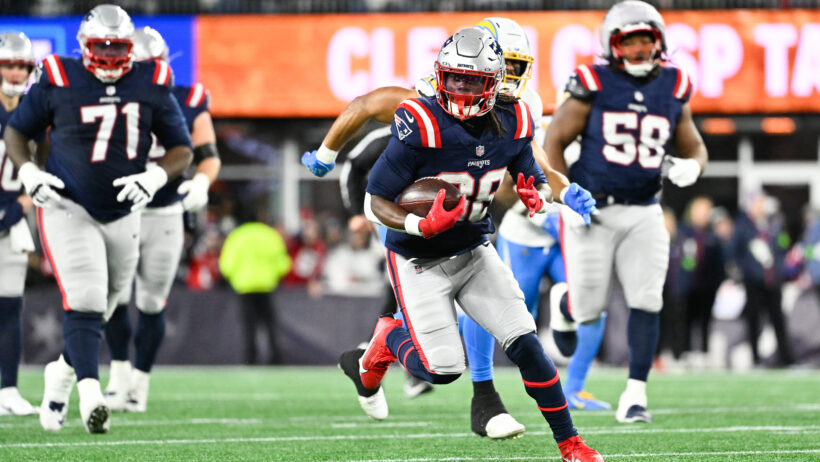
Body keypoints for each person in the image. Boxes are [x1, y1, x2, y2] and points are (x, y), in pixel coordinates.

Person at [304, 17, 596, 439]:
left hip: (473, 236)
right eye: (458, 80)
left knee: (519, 333)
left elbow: (530, 169)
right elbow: (368, 109)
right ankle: (404, 347)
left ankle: (554, 434)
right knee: (441, 363)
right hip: (416, 230)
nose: (509, 78)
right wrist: (328, 155)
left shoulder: (517, 111)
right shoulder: (425, 109)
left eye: (516, 68)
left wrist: (553, 192)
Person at [5, 4, 193, 433]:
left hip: (126, 210)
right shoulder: (58, 75)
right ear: (84, 46)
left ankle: (61, 376)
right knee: (87, 299)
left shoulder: (151, 81)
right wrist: (30, 170)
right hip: (67, 204)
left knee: (104, 307)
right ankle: (91, 395)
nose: (109, 57)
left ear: (131, 49)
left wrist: (156, 174)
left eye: (117, 48)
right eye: (100, 47)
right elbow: (17, 129)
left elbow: (182, 148)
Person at [542, 0, 708, 423]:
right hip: (593, 209)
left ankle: (636, 394)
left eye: (644, 40)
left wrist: (692, 166)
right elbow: (554, 142)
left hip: (644, 210)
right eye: (628, 41)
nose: (637, 49)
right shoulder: (592, 82)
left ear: (659, 42)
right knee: (589, 311)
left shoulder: (673, 85)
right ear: (611, 45)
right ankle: (566, 305)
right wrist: (564, 192)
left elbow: (694, 146)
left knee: (647, 300)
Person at [102, 26, 222, 414]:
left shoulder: (187, 98)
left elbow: (208, 153)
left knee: (152, 300)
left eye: (154, 64)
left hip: (166, 211)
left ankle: (139, 382)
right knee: (115, 297)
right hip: (120, 209)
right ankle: (118, 376)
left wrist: (202, 182)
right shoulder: (109, 98)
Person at [0, 31, 39, 416]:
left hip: (12, 218)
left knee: (9, 308)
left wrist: (26, 199)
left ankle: (7, 390)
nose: (14, 71)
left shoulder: (35, 108)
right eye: (7, 64)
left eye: (21, 65)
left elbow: (49, 160)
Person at [219, 212, 292, 365]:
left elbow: (226, 264)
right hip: (266, 285)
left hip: (244, 286)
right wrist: (273, 276)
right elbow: (283, 263)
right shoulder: (270, 235)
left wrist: (236, 278)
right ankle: (276, 359)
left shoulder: (236, 236)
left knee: (249, 326)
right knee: (270, 325)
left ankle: (251, 359)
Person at [732, 191, 794, 366]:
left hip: (772, 281)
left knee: (778, 320)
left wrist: (779, 269)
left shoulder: (774, 223)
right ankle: (755, 358)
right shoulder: (743, 226)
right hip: (755, 282)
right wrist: (748, 272)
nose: (761, 206)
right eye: (758, 203)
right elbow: (736, 253)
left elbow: (783, 246)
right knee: (754, 320)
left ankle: (786, 358)